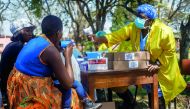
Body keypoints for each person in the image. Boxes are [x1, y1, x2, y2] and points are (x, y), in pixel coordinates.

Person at [91, 4, 187, 109]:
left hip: (164, 68)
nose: (138, 19)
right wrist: (99, 39)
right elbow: (116, 36)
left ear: (150, 20)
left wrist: (158, 63)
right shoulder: (133, 27)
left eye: (142, 17)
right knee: (151, 93)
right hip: (147, 67)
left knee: (158, 96)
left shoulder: (164, 31)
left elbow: (170, 50)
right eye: (138, 16)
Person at [6, 15, 77, 109]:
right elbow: (68, 84)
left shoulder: (36, 41)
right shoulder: (50, 50)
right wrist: (67, 56)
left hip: (17, 89)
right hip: (30, 92)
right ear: (58, 33)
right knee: (74, 95)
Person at [0, 18, 36, 107]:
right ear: (18, 32)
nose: (30, 33)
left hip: (8, 88)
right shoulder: (17, 46)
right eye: (27, 30)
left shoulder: (14, 45)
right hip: (11, 89)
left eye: (31, 30)